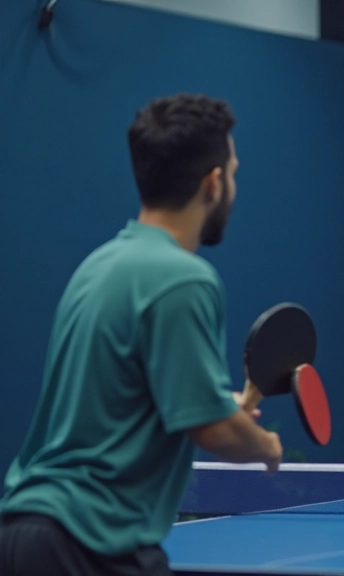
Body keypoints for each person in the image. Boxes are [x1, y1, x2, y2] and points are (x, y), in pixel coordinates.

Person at [0, 93, 283, 576]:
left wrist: (218, 404)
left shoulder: (101, 264)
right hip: (89, 539)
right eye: (233, 172)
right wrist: (265, 446)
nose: (233, 184)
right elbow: (213, 431)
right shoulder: (184, 278)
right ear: (213, 183)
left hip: (25, 529)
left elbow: (126, 399)